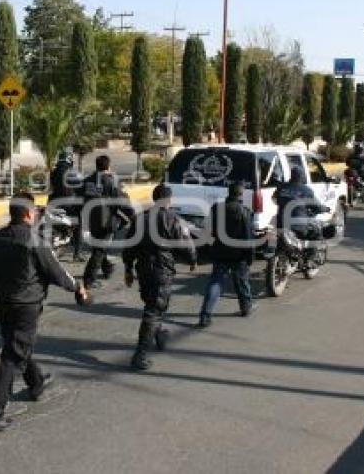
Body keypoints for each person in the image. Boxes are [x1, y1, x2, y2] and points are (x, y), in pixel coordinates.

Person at [0, 193, 90, 434]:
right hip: (25, 305)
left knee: (16, 346)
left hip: (1, 303)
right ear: (28, 214)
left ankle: (35, 383)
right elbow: (56, 271)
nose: (36, 214)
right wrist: (78, 287)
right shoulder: (34, 240)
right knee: (13, 355)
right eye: (34, 211)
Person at [122, 185, 197, 370]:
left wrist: (128, 268)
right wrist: (192, 260)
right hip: (161, 270)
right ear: (169, 200)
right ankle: (140, 355)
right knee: (153, 310)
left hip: (143, 269)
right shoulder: (174, 220)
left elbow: (129, 246)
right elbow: (187, 245)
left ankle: (159, 334)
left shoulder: (140, 219)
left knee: (154, 303)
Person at [197, 182, 257, 328]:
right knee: (242, 282)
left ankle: (205, 316)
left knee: (215, 283)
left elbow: (207, 230)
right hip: (239, 254)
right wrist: (250, 256)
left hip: (220, 252)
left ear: (228, 192)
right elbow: (249, 237)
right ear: (241, 194)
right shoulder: (245, 211)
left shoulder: (216, 208)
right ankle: (246, 308)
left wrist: (209, 247)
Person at [81, 155, 134, 288]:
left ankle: (107, 269)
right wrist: (130, 216)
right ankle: (88, 280)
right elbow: (123, 201)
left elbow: (79, 198)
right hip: (107, 222)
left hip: (90, 219)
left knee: (98, 247)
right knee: (99, 250)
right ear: (108, 166)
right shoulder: (111, 182)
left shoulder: (87, 181)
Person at [48, 150, 85, 261]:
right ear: (70, 160)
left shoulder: (53, 172)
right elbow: (81, 186)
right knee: (78, 225)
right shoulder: (72, 172)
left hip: (53, 203)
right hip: (69, 204)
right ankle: (77, 254)